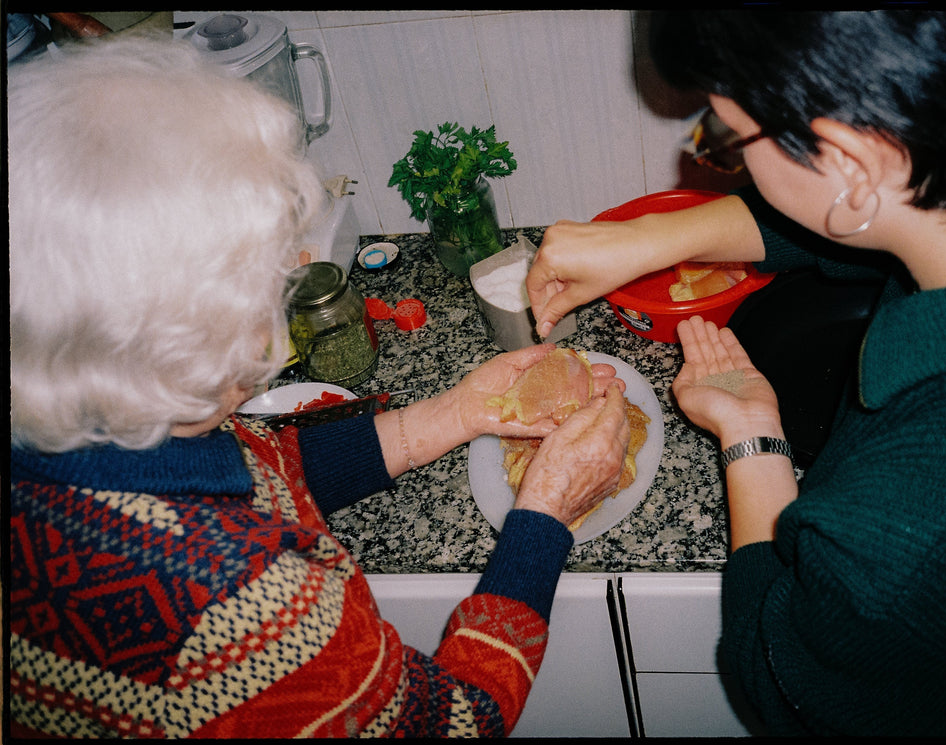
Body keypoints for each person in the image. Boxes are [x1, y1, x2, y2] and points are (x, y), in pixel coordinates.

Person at [7, 36, 630, 738]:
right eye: (271, 269)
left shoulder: (99, 421)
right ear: (185, 330)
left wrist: (457, 410)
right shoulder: (239, 600)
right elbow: (454, 721)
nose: (301, 263)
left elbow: (265, 468)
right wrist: (547, 509)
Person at [526, 9, 946, 737]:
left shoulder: (918, 533)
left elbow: (779, 672)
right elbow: (875, 220)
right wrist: (650, 237)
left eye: (726, 134)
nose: (720, 150)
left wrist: (752, 436)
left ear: (853, 164)